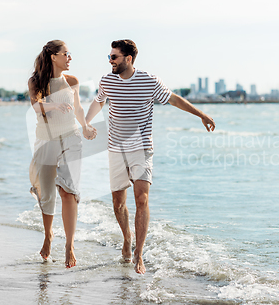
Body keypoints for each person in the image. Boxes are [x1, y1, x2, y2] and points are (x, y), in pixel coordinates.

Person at [85, 39, 215, 274]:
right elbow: (99, 101)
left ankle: (139, 253)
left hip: (142, 148)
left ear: (128, 59)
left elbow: (174, 99)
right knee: (118, 203)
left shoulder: (149, 80)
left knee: (142, 199)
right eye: (109, 57)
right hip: (116, 149)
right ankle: (127, 239)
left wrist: (201, 115)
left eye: (114, 57)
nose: (110, 61)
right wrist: (86, 122)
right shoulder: (107, 81)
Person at [28, 40, 96, 268]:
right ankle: (48, 235)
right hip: (46, 139)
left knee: (69, 190)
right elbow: (36, 106)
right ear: (53, 56)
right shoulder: (36, 81)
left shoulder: (72, 81)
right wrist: (54, 106)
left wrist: (85, 126)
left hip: (71, 136)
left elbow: (77, 107)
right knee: (47, 194)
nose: (70, 58)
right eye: (66, 54)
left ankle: (70, 245)